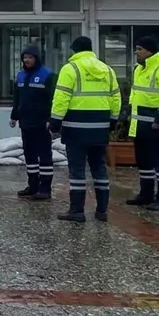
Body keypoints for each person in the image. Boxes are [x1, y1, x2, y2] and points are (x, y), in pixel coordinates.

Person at [48, 36, 121, 223]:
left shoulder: (70, 68)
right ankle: (102, 211)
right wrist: (113, 119)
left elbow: (61, 97)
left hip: (76, 128)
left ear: (74, 50)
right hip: (100, 127)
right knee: (99, 168)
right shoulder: (107, 69)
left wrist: (55, 121)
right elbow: (116, 97)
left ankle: (77, 211)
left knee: (77, 170)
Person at [125, 36, 159, 211]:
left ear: (149, 51)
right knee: (144, 161)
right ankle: (146, 194)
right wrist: (129, 112)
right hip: (141, 124)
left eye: (139, 49)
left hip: (158, 125)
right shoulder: (138, 70)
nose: (136, 52)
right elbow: (136, 94)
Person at [9, 46, 57, 200]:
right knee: (29, 154)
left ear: (36, 58)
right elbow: (17, 98)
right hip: (26, 122)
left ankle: (45, 188)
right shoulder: (21, 75)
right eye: (24, 57)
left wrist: (51, 120)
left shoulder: (47, 75)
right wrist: (14, 116)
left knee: (44, 155)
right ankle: (33, 185)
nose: (27, 60)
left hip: (41, 123)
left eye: (30, 57)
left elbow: (53, 99)